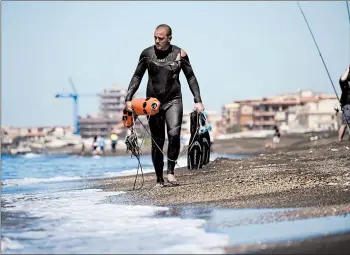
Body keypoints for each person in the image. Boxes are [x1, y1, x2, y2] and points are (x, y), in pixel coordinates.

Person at [125, 24, 205, 187]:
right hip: (153, 103)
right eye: (154, 37)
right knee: (157, 141)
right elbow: (137, 77)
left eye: (160, 38)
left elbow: (191, 78)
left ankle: (171, 173)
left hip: (173, 100)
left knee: (174, 134)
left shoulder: (180, 54)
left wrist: (198, 100)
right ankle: (159, 179)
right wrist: (128, 98)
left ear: (169, 38)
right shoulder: (147, 54)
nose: (157, 41)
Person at [338, 66, 350, 142]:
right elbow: (342, 79)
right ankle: (339, 140)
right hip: (347, 104)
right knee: (345, 123)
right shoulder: (344, 82)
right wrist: (348, 70)